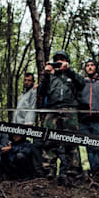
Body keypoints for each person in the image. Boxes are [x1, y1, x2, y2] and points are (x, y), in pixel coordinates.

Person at [37, 50, 85, 185]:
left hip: (70, 109)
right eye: (56, 60)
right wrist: (46, 74)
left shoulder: (72, 75)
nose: (59, 62)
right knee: (49, 140)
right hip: (52, 109)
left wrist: (69, 71)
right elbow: (41, 92)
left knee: (71, 141)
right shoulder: (51, 77)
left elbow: (82, 84)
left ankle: (73, 172)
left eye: (62, 59)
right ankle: (49, 171)